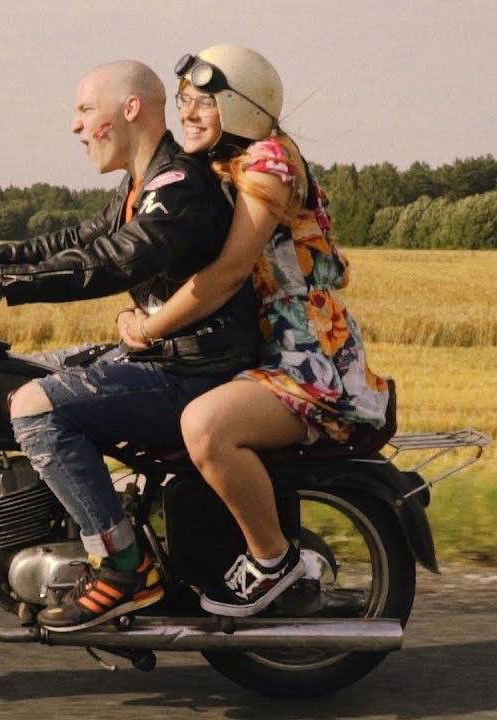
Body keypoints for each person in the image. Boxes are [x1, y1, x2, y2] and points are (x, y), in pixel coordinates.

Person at [0, 59, 258, 631]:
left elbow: (119, 259)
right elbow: (80, 239)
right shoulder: (143, 182)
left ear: (130, 110)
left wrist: (8, 287)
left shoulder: (179, 185)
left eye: (85, 110)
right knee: (21, 372)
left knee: (35, 406)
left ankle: (125, 565)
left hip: (196, 371)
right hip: (169, 357)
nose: (76, 126)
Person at [117, 44, 392, 617]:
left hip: (307, 357)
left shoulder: (269, 161)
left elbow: (227, 273)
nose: (188, 113)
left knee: (206, 426)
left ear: (241, 108)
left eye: (204, 103)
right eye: (185, 101)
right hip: (256, 347)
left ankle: (273, 562)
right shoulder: (222, 161)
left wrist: (149, 328)